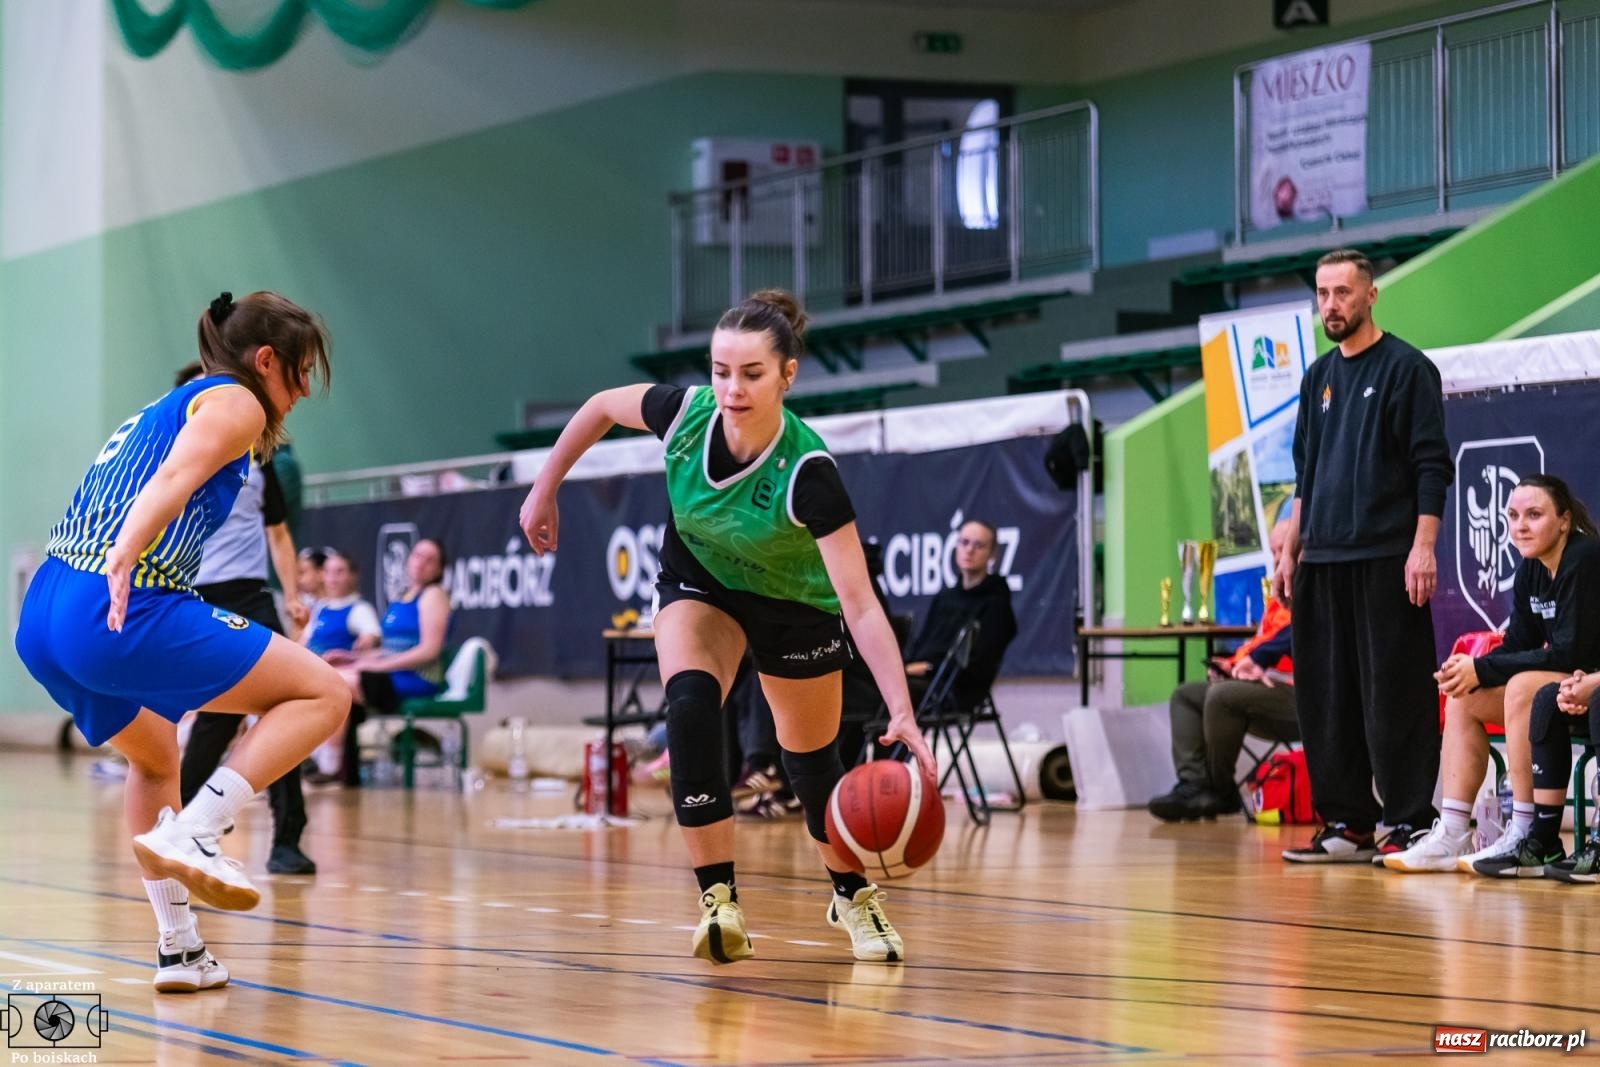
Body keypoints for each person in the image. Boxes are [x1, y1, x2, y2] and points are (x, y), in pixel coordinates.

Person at [519, 289, 933, 965]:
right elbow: (598, 407)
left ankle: (851, 894)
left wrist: (902, 709)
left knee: (810, 766)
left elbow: (859, 604)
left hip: (793, 605)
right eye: (720, 370)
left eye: (751, 373)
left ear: (787, 375)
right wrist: (545, 487)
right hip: (701, 581)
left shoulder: (810, 473)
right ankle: (719, 900)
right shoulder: (683, 415)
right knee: (688, 707)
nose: (731, 388)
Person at [13, 291, 347, 993]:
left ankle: (180, 947)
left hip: (43, 610)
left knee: (157, 755)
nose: (305, 388)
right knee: (325, 690)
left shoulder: (174, 400)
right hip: (112, 601)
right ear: (266, 361)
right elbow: (173, 477)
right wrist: (127, 553)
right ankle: (202, 828)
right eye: (301, 370)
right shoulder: (237, 401)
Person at [1274, 249, 1453, 864]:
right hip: (1321, 561)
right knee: (1326, 700)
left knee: (1394, 695)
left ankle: (1408, 821)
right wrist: (1290, 553)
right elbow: (1306, 474)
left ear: (1371, 295)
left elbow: (1432, 466)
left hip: (1386, 557)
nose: (1331, 304)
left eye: (1343, 292)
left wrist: (1422, 547)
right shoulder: (1316, 376)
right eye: (1322, 293)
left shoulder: (1408, 369)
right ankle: (1346, 822)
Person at [1381, 476, 1600, 874]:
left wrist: (1482, 667)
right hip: (1565, 687)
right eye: (1513, 516)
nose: (1521, 526)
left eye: (1534, 515)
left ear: (1564, 521)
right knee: (1464, 696)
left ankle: (1523, 830)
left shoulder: (1584, 559)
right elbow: (1518, 643)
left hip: (1592, 686)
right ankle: (1451, 831)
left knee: (1519, 687)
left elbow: (1572, 653)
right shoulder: (1531, 569)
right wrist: (1469, 672)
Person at [169, 361, 318, 877]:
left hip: (252, 597)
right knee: (216, 716)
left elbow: (277, 533)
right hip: (195, 597)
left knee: (286, 705)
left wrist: (293, 595)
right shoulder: (175, 455)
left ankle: (287, 839)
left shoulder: (259, 456)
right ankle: (182, 822)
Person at [1149, 520, 1298, 822]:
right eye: (1273, 551)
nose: (1276, 558)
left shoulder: (1312, 586)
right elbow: (1263, 642)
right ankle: (1194, 783)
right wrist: (1232, 666)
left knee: (1221, 697)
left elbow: (1293, 637)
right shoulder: (1277, 594)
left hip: (1300, 696)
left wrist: (1257, 661)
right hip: (1262, 689)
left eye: (1283, 550)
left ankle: (1219, 791)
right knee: (1186, 696)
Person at [327, 538, 450, 787]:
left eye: (430, 559)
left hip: (416, 679)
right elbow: (389, 649)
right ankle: (338, 767)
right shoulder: (402, 597)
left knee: (335, 683)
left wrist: (377, 666)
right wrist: (355, 658)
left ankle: (328, 765)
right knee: (330, 673)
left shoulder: (433, 595)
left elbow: (429, 650)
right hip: (391, 674)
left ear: (439, 570)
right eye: (417, 555)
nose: (421, 563)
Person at [903, 519, 1017, 715]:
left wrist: (930, 669)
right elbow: (922, 643)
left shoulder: (996, 604)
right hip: (922, 680)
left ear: (992, 555)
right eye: (964, 542)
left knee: (889, 696)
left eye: (978, 545)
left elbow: (978, 667)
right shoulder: (945, 597)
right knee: (872, 690)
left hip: (957, 690)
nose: (969, 550)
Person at [301, 551, 382, 657]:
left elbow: (372, 634)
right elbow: (303, 642)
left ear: (353, 575)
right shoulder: (320, 607)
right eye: (328, 572)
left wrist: (367, 641)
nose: (332, 578)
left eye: (339, 572)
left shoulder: (360, 609)